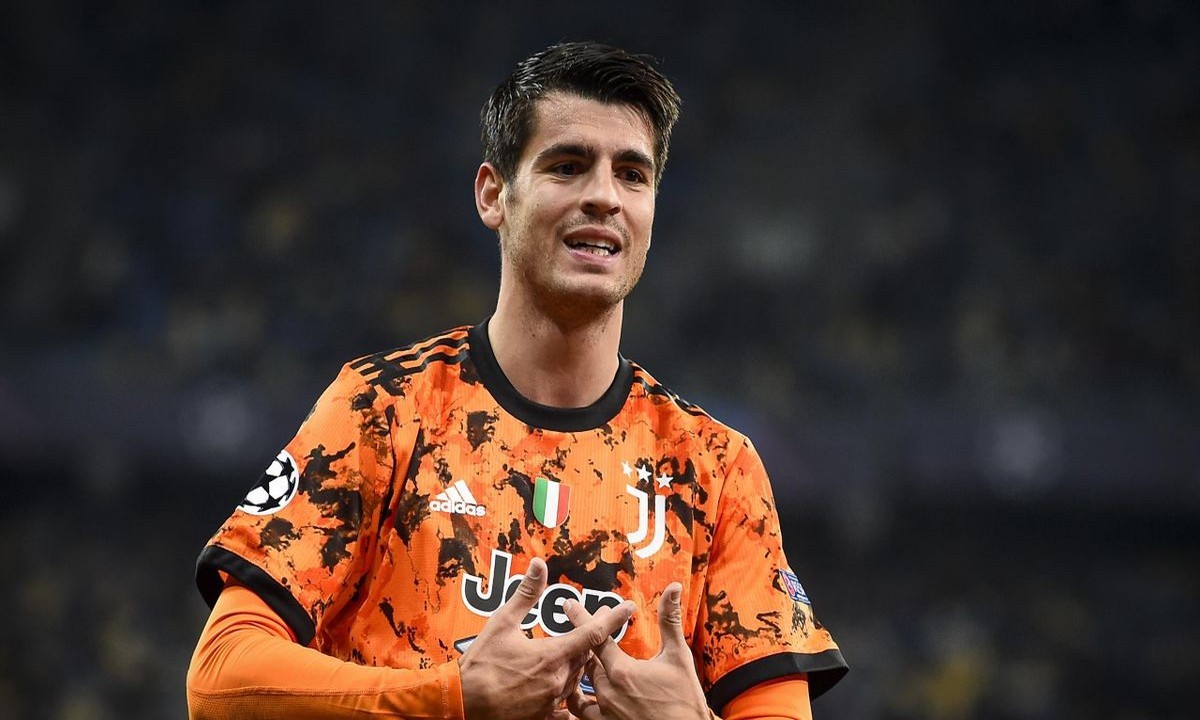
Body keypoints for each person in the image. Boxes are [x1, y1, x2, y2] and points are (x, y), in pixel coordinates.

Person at [186, 40, 847, 720]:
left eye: (632, 175)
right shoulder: (383, 409)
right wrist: (454, 698)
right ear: (493, 194)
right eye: (567, 166)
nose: (604, 196)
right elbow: (221, 680)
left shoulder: (715, 468)